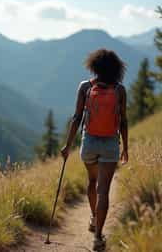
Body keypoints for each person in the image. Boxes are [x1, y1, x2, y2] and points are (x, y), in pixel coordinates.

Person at [61, 49, 128, 251]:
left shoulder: (85, 87)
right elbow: (123, 121)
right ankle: (98, 237)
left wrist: (68, 145)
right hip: (110, 144)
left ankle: (92, 217)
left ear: (94, 66)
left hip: (89, 142)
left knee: (92, 181)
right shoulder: (120, 90)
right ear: (116, 68)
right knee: (103, 190)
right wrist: (126, 147)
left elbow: (77, 118)